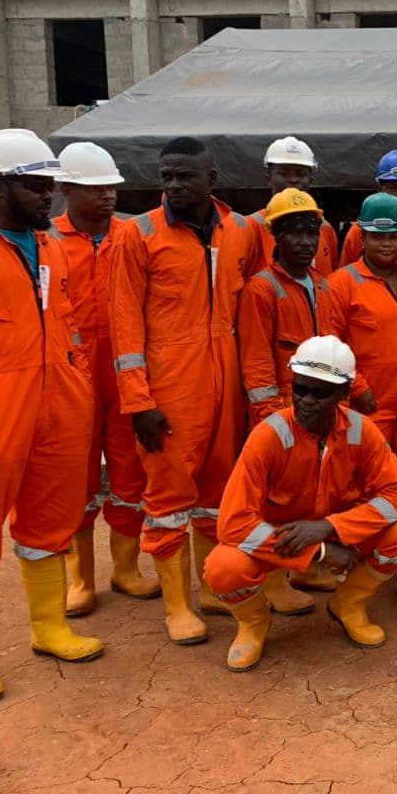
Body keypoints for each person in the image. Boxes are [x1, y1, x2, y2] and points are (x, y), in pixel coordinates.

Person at [110, 136, 259, 645]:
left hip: (227, 382)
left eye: (184, 176)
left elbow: (254, 303)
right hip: (170, 388)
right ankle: (177, 607)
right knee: (169, 494)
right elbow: (124, 322)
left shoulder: (240, 230)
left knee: (219, 493)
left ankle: (211, 588)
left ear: (211, 179)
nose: (172, 185)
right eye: (166, 176)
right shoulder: (140, 234)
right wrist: (139, 401)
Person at [204, 337, 397, 670]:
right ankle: (253, 622)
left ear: (344, 394)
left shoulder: (362, 431)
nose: (306, 401)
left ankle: (348, 604)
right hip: (279, 541)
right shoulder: (268, 436)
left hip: (337, 532)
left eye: (320, 393)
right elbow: (233, 523)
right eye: (300, 389)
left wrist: (330, 529)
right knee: (222, 567)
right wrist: (317, 552)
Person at [0, 130, 103, 696]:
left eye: (51, 186)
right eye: (36, 187)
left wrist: (76, 373)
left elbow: (67, 317)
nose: (50, 197)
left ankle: (48, 626)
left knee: (49, 516)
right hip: (2, 398)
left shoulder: (50, 244)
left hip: (57, 395)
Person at [52, 142, 159, 615]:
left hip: (126, 373)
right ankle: (80, 578)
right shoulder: (47, 240)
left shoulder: (133, 235)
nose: (108, 198)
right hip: (71, 376)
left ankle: (126, 567)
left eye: (111, 189)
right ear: (67, 189)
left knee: (129, 470)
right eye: (95, 190)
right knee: (75, 475)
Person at [237, 188, 338, 608]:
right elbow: (257, 361)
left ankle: (306, 567)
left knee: (312, 491)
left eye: (310, 232)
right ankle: (274, 583)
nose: (304, 241)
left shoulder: (322, 284)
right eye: (293, 232)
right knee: (275, 500)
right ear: (275, 236)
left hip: (318, 409)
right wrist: (270, 419)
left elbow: (333, 345)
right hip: (281, 411)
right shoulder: (261, 289)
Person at [327, 193, 397, 453]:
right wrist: (357, 387)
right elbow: (330, 344)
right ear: (362, 238)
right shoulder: (341, 283)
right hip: (370, 400)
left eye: (393, 236)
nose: (387, 244)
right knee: (368, 469)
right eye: (377, 237)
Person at [246, 137, 339, 276]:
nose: (293, 180)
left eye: (301, 174)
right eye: (284, 173)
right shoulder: (250, 227)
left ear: (311, 181)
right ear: (268, 179)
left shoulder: (325, 228)